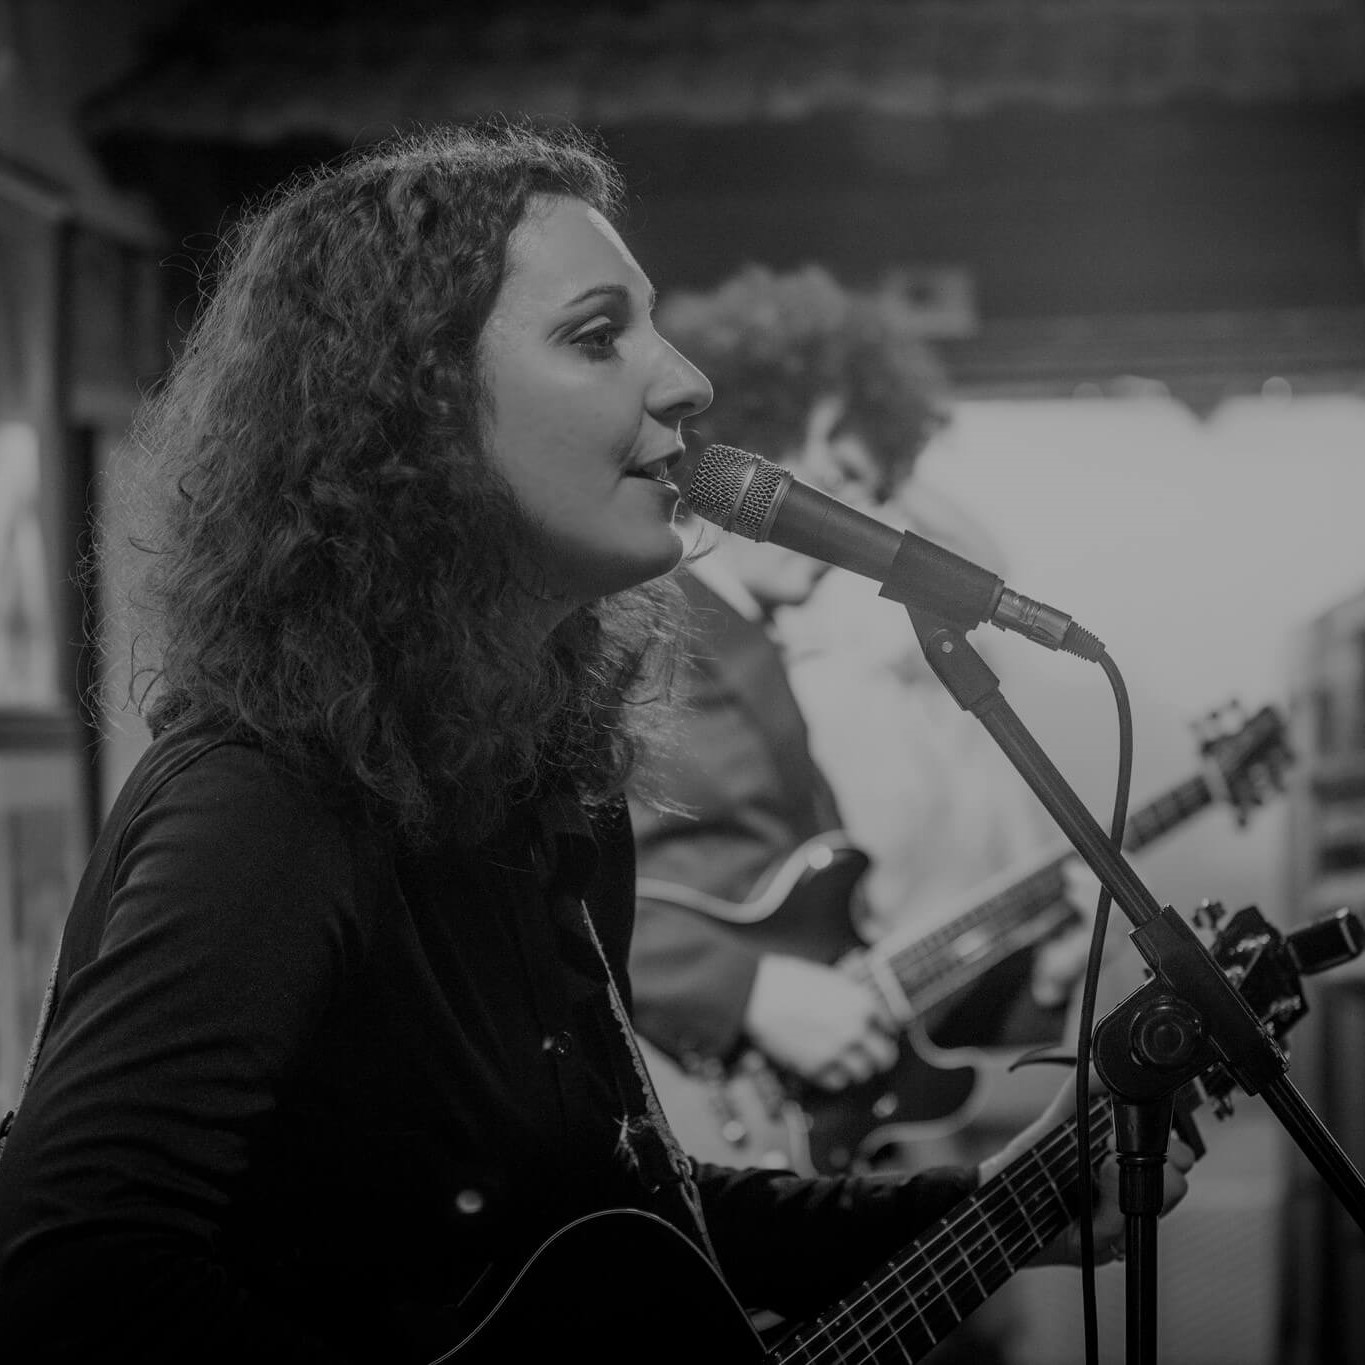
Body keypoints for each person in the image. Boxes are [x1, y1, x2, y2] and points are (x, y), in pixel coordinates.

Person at [0, 123, 1189, 1363]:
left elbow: (631, 1224)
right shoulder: (268, 805)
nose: (684, 381)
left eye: (653, 327)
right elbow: (73, 1272)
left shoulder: (544, 800)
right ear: (412, 412)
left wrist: (1006, 1207)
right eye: (596, 333)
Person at [627, 266, 1103, 1172]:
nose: (860, 517)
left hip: (786, 1124)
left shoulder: (752, 645)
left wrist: (1027, 986)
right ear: (757, 446)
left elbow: (831, 946)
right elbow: (562, 887)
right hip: (677, 1097)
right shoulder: (651, 623)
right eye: (845, 475)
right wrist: (744, 990)